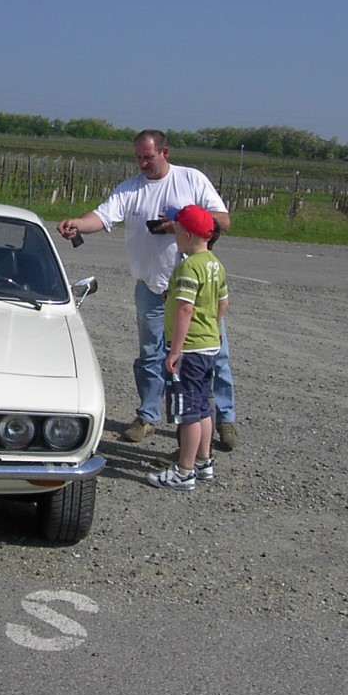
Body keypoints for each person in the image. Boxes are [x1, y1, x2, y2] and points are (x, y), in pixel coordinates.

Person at [56, 129, 239, 449]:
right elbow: (103, 215)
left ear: (165, 153)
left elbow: (222, 221)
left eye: (148, 156)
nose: (142, 162)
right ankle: (148, 416)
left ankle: (225, 419)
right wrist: (78, 224)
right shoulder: (131, 189)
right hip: (152, 288)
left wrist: (182, 222)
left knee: (214, 354)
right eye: (138, 156)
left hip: (194, 287)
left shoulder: (191, 180)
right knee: (150, 356)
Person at [146, 204, 228, 490]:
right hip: (208, 345)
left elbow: (184, 309)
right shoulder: (215, 264)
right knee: (203, 406)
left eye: (178, 231)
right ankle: (204, 461)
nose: (175, 236)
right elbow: (223, 302)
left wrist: (175, 350)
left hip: (190, 349)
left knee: (188, 412)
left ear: (189, 234)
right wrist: (214, 327)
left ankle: (185, 470)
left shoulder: (188, 267)